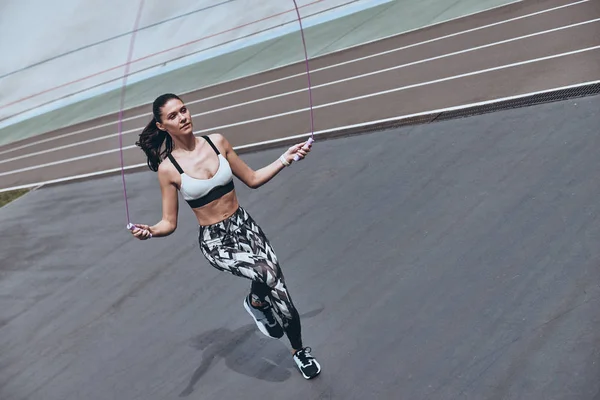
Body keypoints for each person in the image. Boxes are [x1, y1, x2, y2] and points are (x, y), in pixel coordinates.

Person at [128, 93, 321, 380]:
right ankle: (257, 303)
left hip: (245, 227)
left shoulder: (217, 142)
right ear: (161, 126)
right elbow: (169, 222)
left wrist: (285, 158)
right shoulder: (168, 169)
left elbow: (252, 179)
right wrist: (151, 232)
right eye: (173, 116)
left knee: (281, 291)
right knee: (268, 273)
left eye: (184, 110)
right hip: (217, 242)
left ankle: (297, 350)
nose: (183, 117)